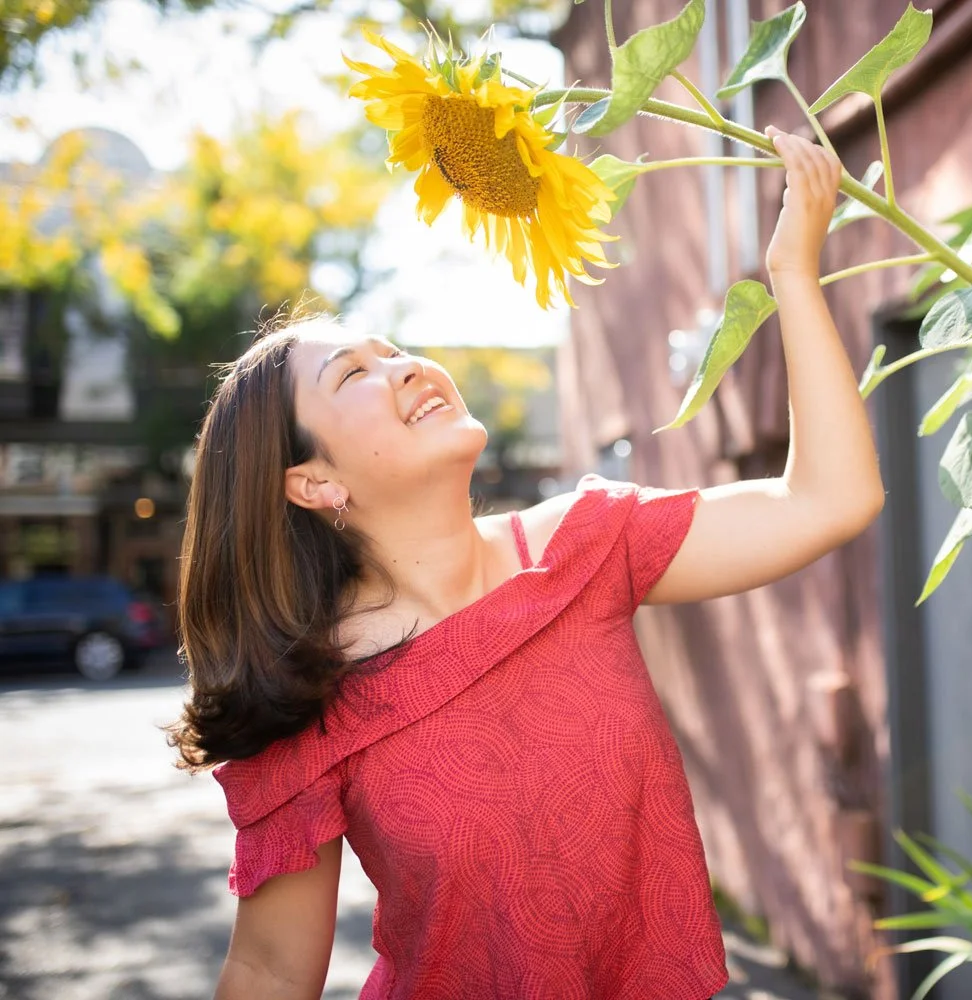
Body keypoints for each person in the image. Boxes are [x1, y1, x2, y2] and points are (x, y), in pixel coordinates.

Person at [170, 125, 884, 1000]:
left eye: (394, 350)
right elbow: (272, 970)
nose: (405, 369)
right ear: (312, 483)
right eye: (354, 376)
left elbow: (830, 500)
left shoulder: (585, 549)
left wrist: (794, 276)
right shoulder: (308, 697)